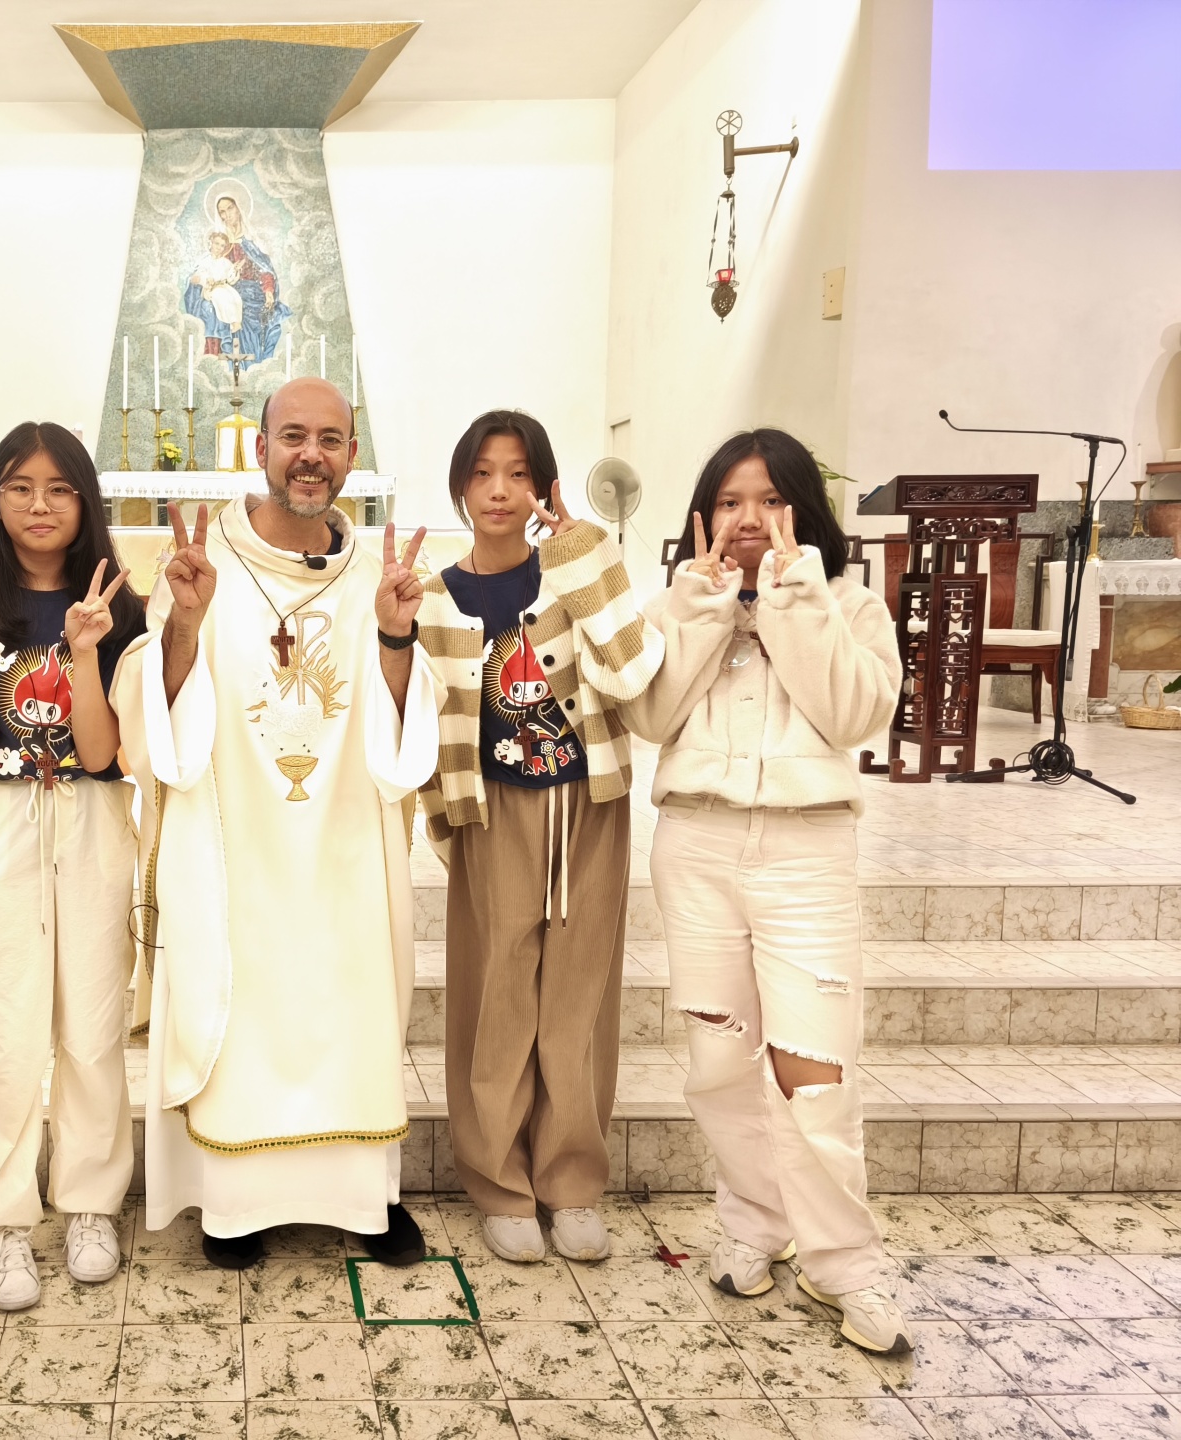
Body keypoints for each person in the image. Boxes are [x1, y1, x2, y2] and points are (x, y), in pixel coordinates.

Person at [110, 376, 442, 1269]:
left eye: (330, 440)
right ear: (259, 449)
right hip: (235, 846)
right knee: (243, 1007)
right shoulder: (199, 566)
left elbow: (402, 742)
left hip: (344, 850)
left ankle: (364, 1202)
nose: (311, 456)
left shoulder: (374, 576)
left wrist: (397, 638)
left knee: (351, 1009)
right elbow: (161, 726)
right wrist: (185, 624)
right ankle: (237, 1206)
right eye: (293, 436)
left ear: (350, 456)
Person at [626, 427, 907, 1353]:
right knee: (717, 1062)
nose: (750, 518)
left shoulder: (848, 605)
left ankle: (845, 1265)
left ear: (803, 511)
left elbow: (853, 714)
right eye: (732, 501)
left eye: (771, 500)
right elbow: (650, 714)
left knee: (813, 1073)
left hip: (806, 853)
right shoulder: (678, 606)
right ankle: (755, 1222)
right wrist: (705, 611)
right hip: (697, 846)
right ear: (703, 515)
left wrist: (793, 602)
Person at [416, 410, 663, 1265]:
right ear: (461, 485)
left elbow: (632, 674)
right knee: (497, 995)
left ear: (542, 486)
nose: (499, 491)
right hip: (492, 812)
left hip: (589, 806)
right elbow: (424, 722)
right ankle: (499, 1183)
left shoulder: (572, 576)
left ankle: (572, 1181)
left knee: (579, 997)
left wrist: (585, 555)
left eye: (518, 473)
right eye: (483, 473)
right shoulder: (435, 596)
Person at [0, 422, 146, 1312]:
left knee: (92, 1026)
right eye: (19, 487)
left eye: (58, 488)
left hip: (90, 821)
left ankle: (89, 1205)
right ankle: (3, 1219)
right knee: (4, 1034)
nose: (39, 505)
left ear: (84, 501)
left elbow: (105, 752)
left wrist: (85, 651)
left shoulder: (120, 607)